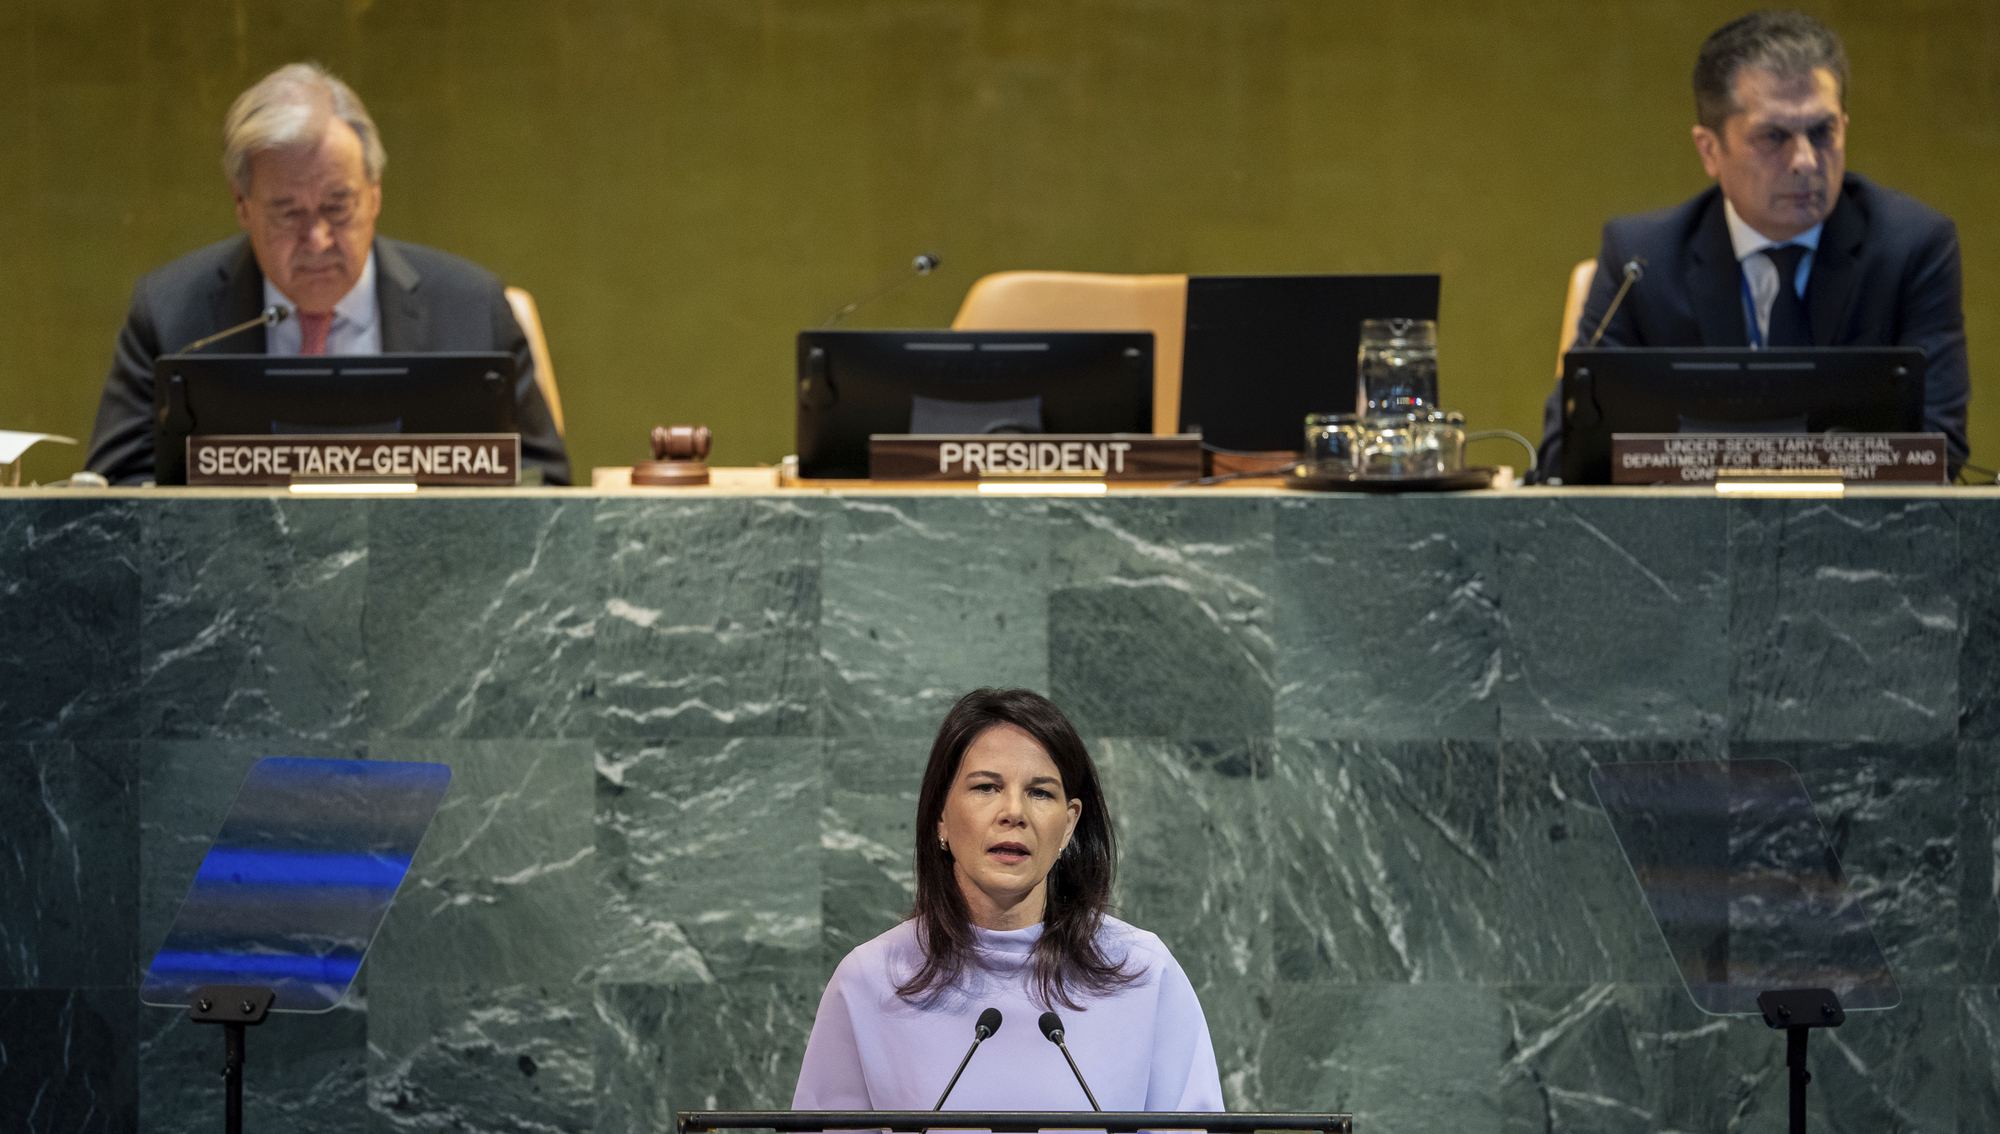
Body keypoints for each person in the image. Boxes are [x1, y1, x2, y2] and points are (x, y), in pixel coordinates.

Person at [83, 63, 569, 485]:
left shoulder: (472, 309)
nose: (316, 240)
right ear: (242, 205)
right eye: (287, 213)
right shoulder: (170, 317)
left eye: (338, 206)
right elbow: (117, 494)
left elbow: (544, 487)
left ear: (374, 194)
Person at [1537, 9, 1969, 477]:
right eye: (1774, 137)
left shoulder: (1911, 248)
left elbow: (1939, 448)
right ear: (1710, 151)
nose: (1805, 161)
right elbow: (1567, 454)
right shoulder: (1641, 261)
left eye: (1822, 132)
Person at [794, 688, 1224, 1113]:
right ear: (941, 816)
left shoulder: (1143, 973)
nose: (1013, 812)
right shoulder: (869, 982)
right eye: (986, 787)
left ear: (1069, 824)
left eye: (1040, 793)